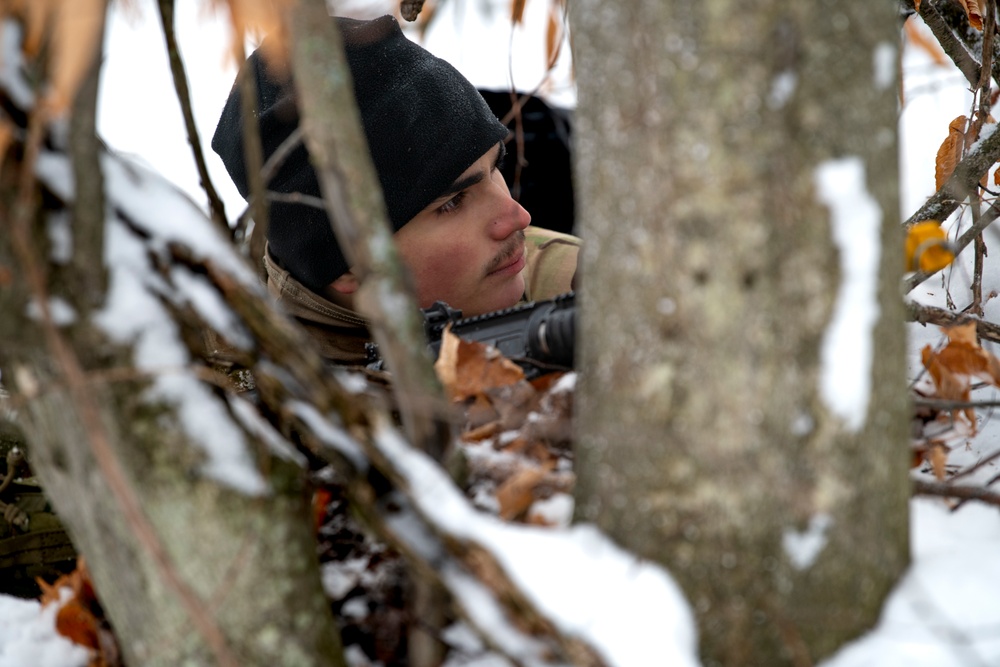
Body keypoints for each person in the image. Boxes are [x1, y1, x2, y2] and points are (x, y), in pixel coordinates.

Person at [212, 15, 579, 365]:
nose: (518, 216)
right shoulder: (257, 406)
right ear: (351, 264)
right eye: (452, 202)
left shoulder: (579, 286)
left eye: (496, 167)